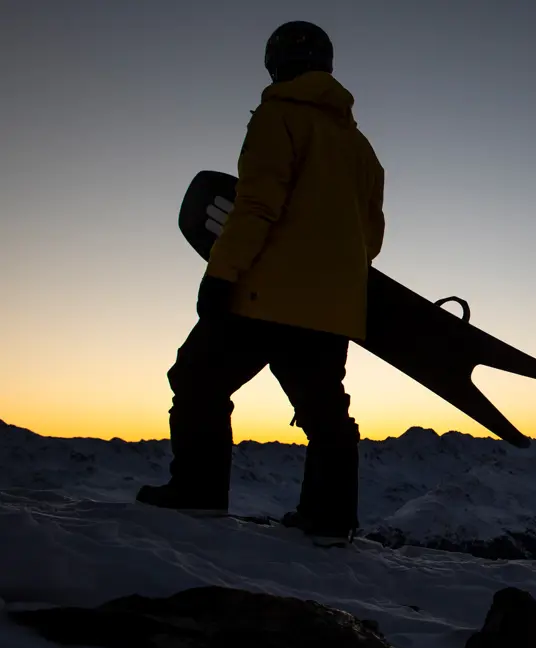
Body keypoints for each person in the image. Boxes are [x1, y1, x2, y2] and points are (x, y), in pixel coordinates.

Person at [137, 20, 387, 546]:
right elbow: (372, 239)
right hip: (333, 308)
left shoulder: (279, 117)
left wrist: (220, 274)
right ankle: (330, 519)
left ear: (276, 66)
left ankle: (198, 493)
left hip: (265, 295)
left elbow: (254, 206)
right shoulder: (362, 150)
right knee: (324, 411)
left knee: (197, 379)